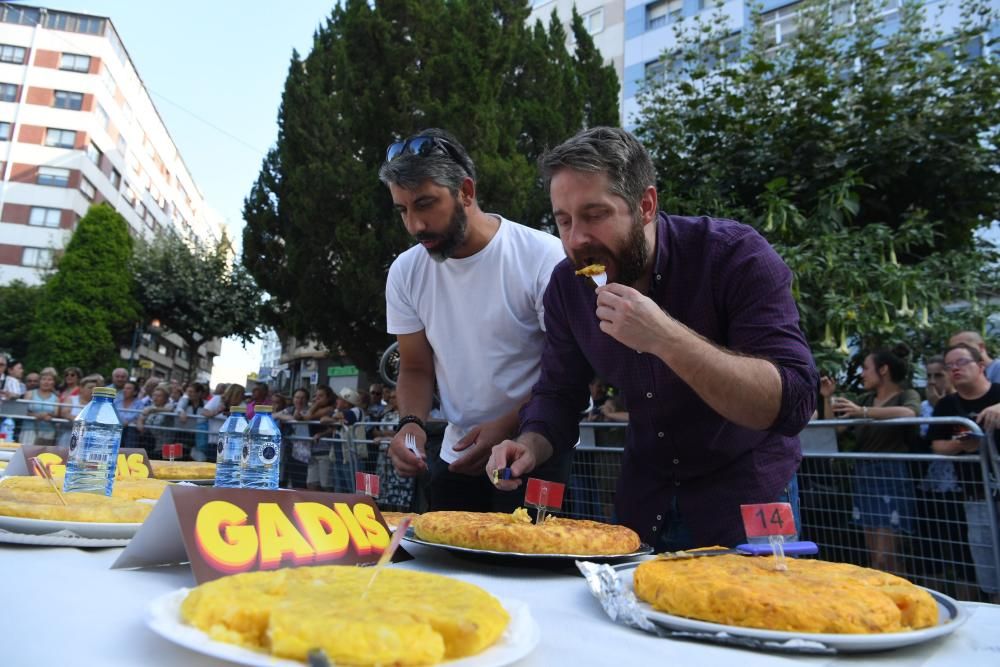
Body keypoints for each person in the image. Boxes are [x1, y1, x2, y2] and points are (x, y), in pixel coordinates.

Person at [487, 127, 817, 550]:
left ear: (645, 205)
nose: (576, 239)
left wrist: (664, 337)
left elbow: (793, 403)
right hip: (644, 503)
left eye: (595, 215)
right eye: (564, 220)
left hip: (746, 501)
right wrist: (529, 443)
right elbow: (559, 392)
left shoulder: (735, 256)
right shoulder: (568, 286)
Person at [379, 128, 569, 512]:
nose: (415, 225)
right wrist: (411, 423)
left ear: (466, 191)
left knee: (528, 567)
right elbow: (414, 366)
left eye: (426, 204)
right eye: (403, 210)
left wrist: (509, 424)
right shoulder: (405, 271)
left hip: (538, 447)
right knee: (446, 569)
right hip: (457, 454)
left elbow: (567, 371)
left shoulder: (542, 257)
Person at [820, 346, 921, 574]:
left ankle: (903, 598)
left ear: (883, 369)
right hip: (865, 477)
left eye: (866, 368)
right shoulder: (866, 399)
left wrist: (863, 411)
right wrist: (827, 399)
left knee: (886, 557)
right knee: (875, 557)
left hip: (892, 476)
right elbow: (835, 430)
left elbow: (910, 414)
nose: (862, 374)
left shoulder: (907, 395)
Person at [928, 343, 1000, 603]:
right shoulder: (947, 405)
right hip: (975, 495)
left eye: (961, 362)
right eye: (950, 365)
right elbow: (937, 445)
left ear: (981, 366)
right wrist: (963, 444)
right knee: (989, 573)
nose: (955, 369)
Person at [22, 368, 61, 446]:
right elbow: (23, 412)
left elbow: (57, 414)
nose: (46, 382)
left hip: (48, 432)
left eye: (50, 380)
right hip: (29, 430)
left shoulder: (56, 398)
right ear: (40, 381)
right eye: (44, 379)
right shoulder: (29, 394)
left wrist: (49, 415)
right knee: (26, 455)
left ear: (54, 382)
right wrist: (37, 415)